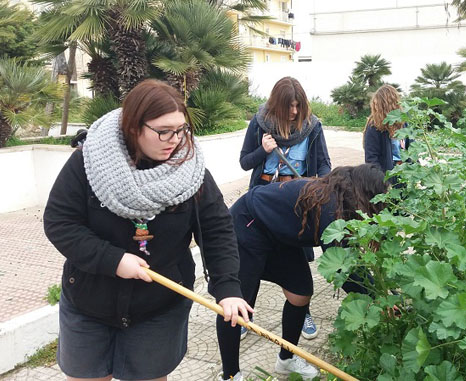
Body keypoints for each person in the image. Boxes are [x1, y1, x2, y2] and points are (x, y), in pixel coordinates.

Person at [43, 79, 252, 381]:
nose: (175, 140)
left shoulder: (190, 171)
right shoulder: (87, 163)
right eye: (163, 131)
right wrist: (113, 260)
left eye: (181, 129)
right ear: (133, 127)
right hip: (90, 300)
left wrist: (228, 288)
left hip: (159, 305)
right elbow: (59, 222)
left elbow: (217, 229)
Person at [216, 164, 388, 381]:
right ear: (364, 192)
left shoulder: (343, 203)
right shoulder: (331, 206)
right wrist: (379, 299)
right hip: (248, 224)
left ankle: (286, 360)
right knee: (236, 305)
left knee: (300, 293)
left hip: (279, 234)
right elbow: (341, 267)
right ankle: (231, 375)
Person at [239, 76, 331, 340]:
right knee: (253, 256)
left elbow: (324, 164)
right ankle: (246, 313)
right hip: (263, 199)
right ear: (276, 105)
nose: (294, 112)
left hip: (298, 200)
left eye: (298, 106)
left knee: (298, 256)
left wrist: (319, 184)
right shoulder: (260, 125)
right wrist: (263, 151)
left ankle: (303, 312)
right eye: (289, 106)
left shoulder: (313, 127)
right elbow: (245, 162)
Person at [363, 84, 410, 174]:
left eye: (377, 105)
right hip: (386, 176)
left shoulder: (403, 122)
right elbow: (371, 160)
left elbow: (412, 150)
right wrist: (381, 182)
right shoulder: (374, 126)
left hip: (405, 174)